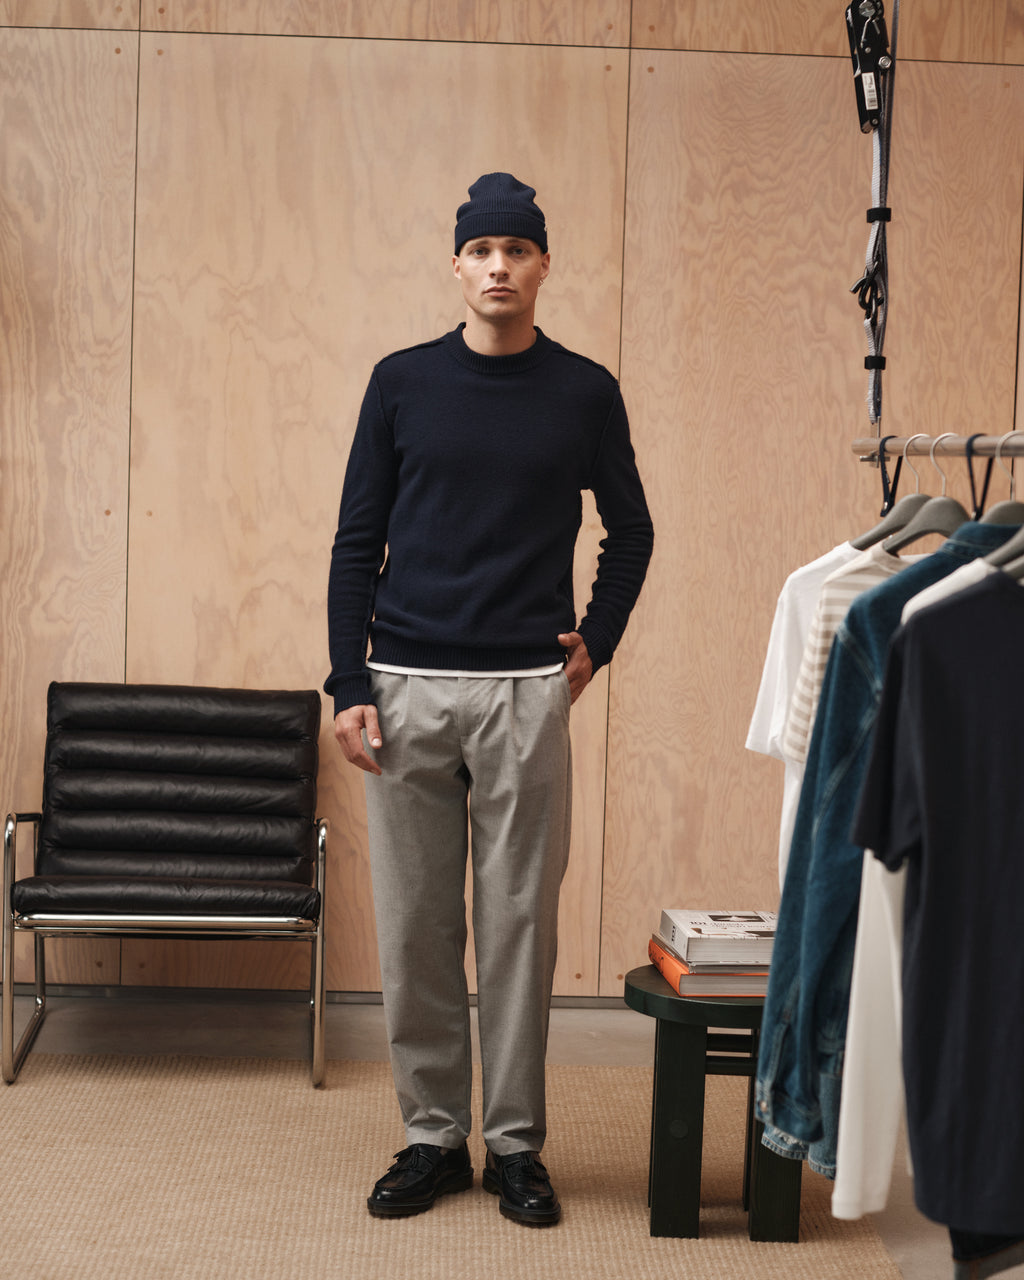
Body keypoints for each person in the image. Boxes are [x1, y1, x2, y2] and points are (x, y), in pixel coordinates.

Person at [325, 172, 653, 1226]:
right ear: (457, 266)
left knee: (519, 925)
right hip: (405, 688)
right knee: (418, 924)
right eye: (481, 250)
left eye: (517, 249)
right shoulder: (401, 383)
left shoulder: (585, 391)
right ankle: (432, 1135)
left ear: (544, 264)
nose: (499, 266)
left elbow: (632, 529)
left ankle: (514, 1145)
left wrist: (596, 640)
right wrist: (348, 680)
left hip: (525, 692)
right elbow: (355, 541)